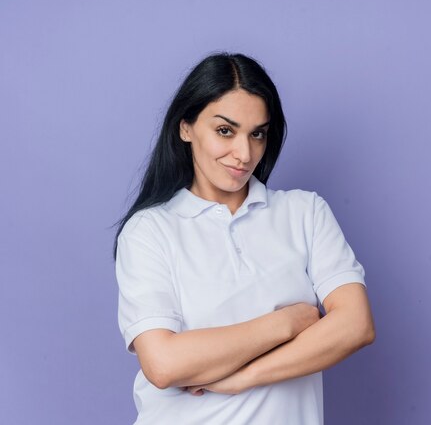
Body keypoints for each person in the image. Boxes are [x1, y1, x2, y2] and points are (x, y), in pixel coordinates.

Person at [112, 52, 375, 425]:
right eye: (225, 131)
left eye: (258, 134)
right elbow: (164, 363)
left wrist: (244, 377)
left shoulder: (305, 212)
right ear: (185, 128)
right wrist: (287, 323)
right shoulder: (150, 230)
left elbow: (356, 325)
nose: (244, 153)